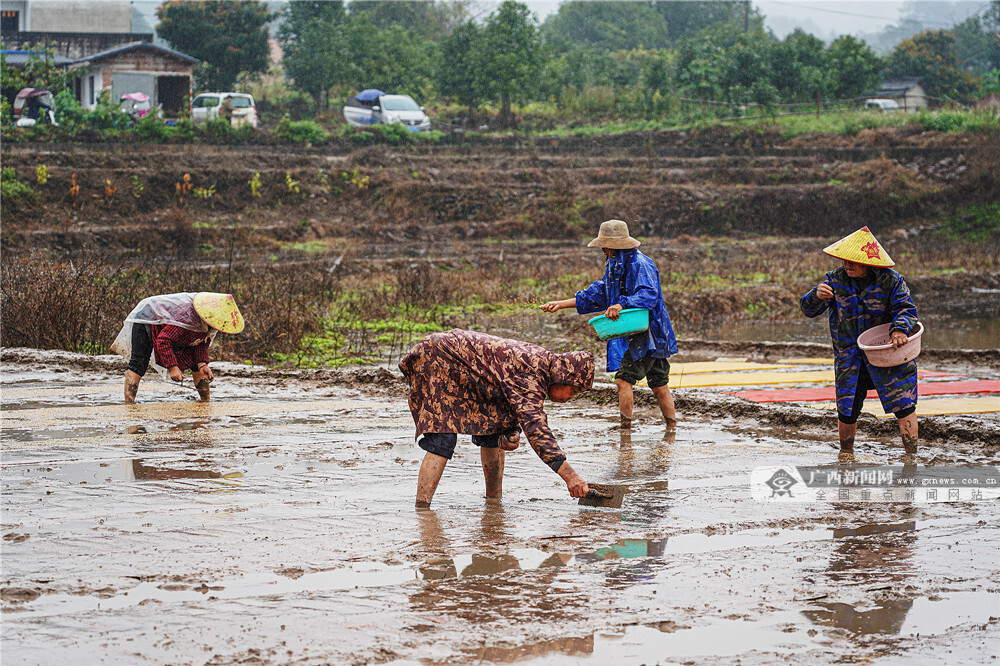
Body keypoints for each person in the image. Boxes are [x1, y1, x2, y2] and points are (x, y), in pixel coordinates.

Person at [398, 329, 596, 508]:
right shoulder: (533, 372)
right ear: (564, 376)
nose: (571, 397)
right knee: (443, 436)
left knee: (492, 433)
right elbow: (537, 429)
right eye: (574, 390)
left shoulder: (541, 369)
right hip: (437, 358)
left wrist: (511, 431)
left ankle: (493, 503)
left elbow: (511, 400)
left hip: (469, 373)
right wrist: (571, 477)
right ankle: (422, 511)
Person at [540, 219, 678, 428]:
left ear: (617, 245)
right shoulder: (615, 266)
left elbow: (649, 295)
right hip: (640, 332)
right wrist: (561, 304)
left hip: (650, 333)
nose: (603, 250)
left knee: (624, 380)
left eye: (606, 246)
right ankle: (672, 427)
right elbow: (598, 294)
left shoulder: (641, 264)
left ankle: (625, 429)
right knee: (660, 385)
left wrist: (622, 304)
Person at [800, 226, 919, 456]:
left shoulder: (891, 281)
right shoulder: (834, 281)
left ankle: (911, 454)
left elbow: (906, 309)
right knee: (847, 410)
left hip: (888, 352)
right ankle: (846, 454)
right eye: (845, 260)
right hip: (850, 358)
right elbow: (807, 309)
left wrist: (899, 330)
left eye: (853, 261)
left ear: (868, 262)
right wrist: (814, 295)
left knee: (904, 405)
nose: (848, 265)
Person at [110, 292, 245, 404]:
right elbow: (163, 340)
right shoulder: (186, 318)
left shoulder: (212, 324)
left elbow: (201, 342)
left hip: (170, 331)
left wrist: (202, 363)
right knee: (139, 362)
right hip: (148, 317)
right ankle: (129, 403)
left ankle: (205, 401)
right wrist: (173, 367)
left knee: (196, 366)